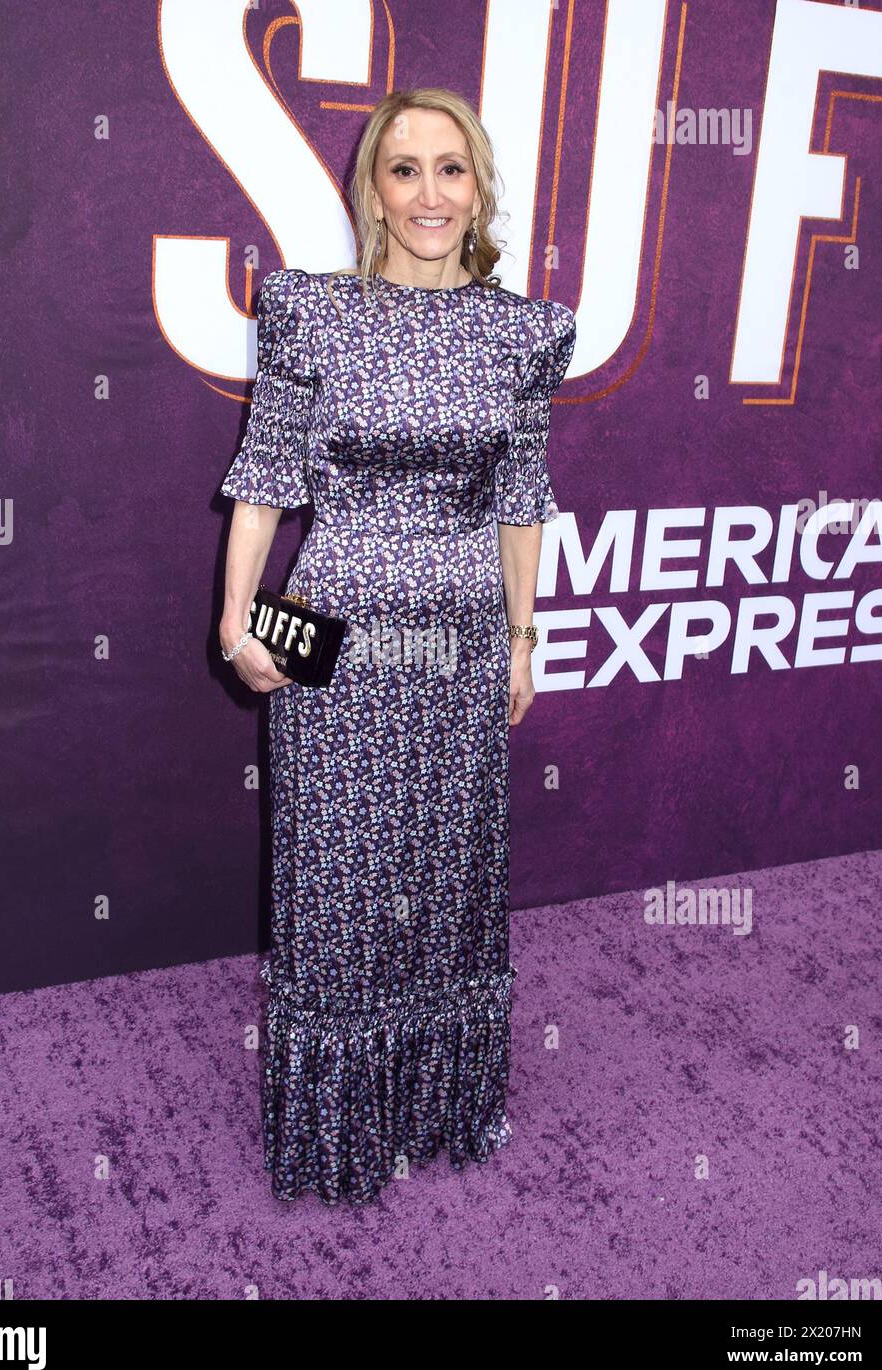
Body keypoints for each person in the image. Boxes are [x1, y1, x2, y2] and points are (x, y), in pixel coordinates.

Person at [218, 87, 577, 1205]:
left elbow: (522, 496)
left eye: (452, 168)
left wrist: (522, 640)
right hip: (334, 632)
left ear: (480, 190)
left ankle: (435, 1099)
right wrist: (236, 617)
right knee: (336, 873)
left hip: (465, 636)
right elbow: (267, 480)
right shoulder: (309, 310)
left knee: (448, 868)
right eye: (406, 168)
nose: (430, 192)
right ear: (372, 188)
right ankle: (336, 1126)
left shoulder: (526, 330)